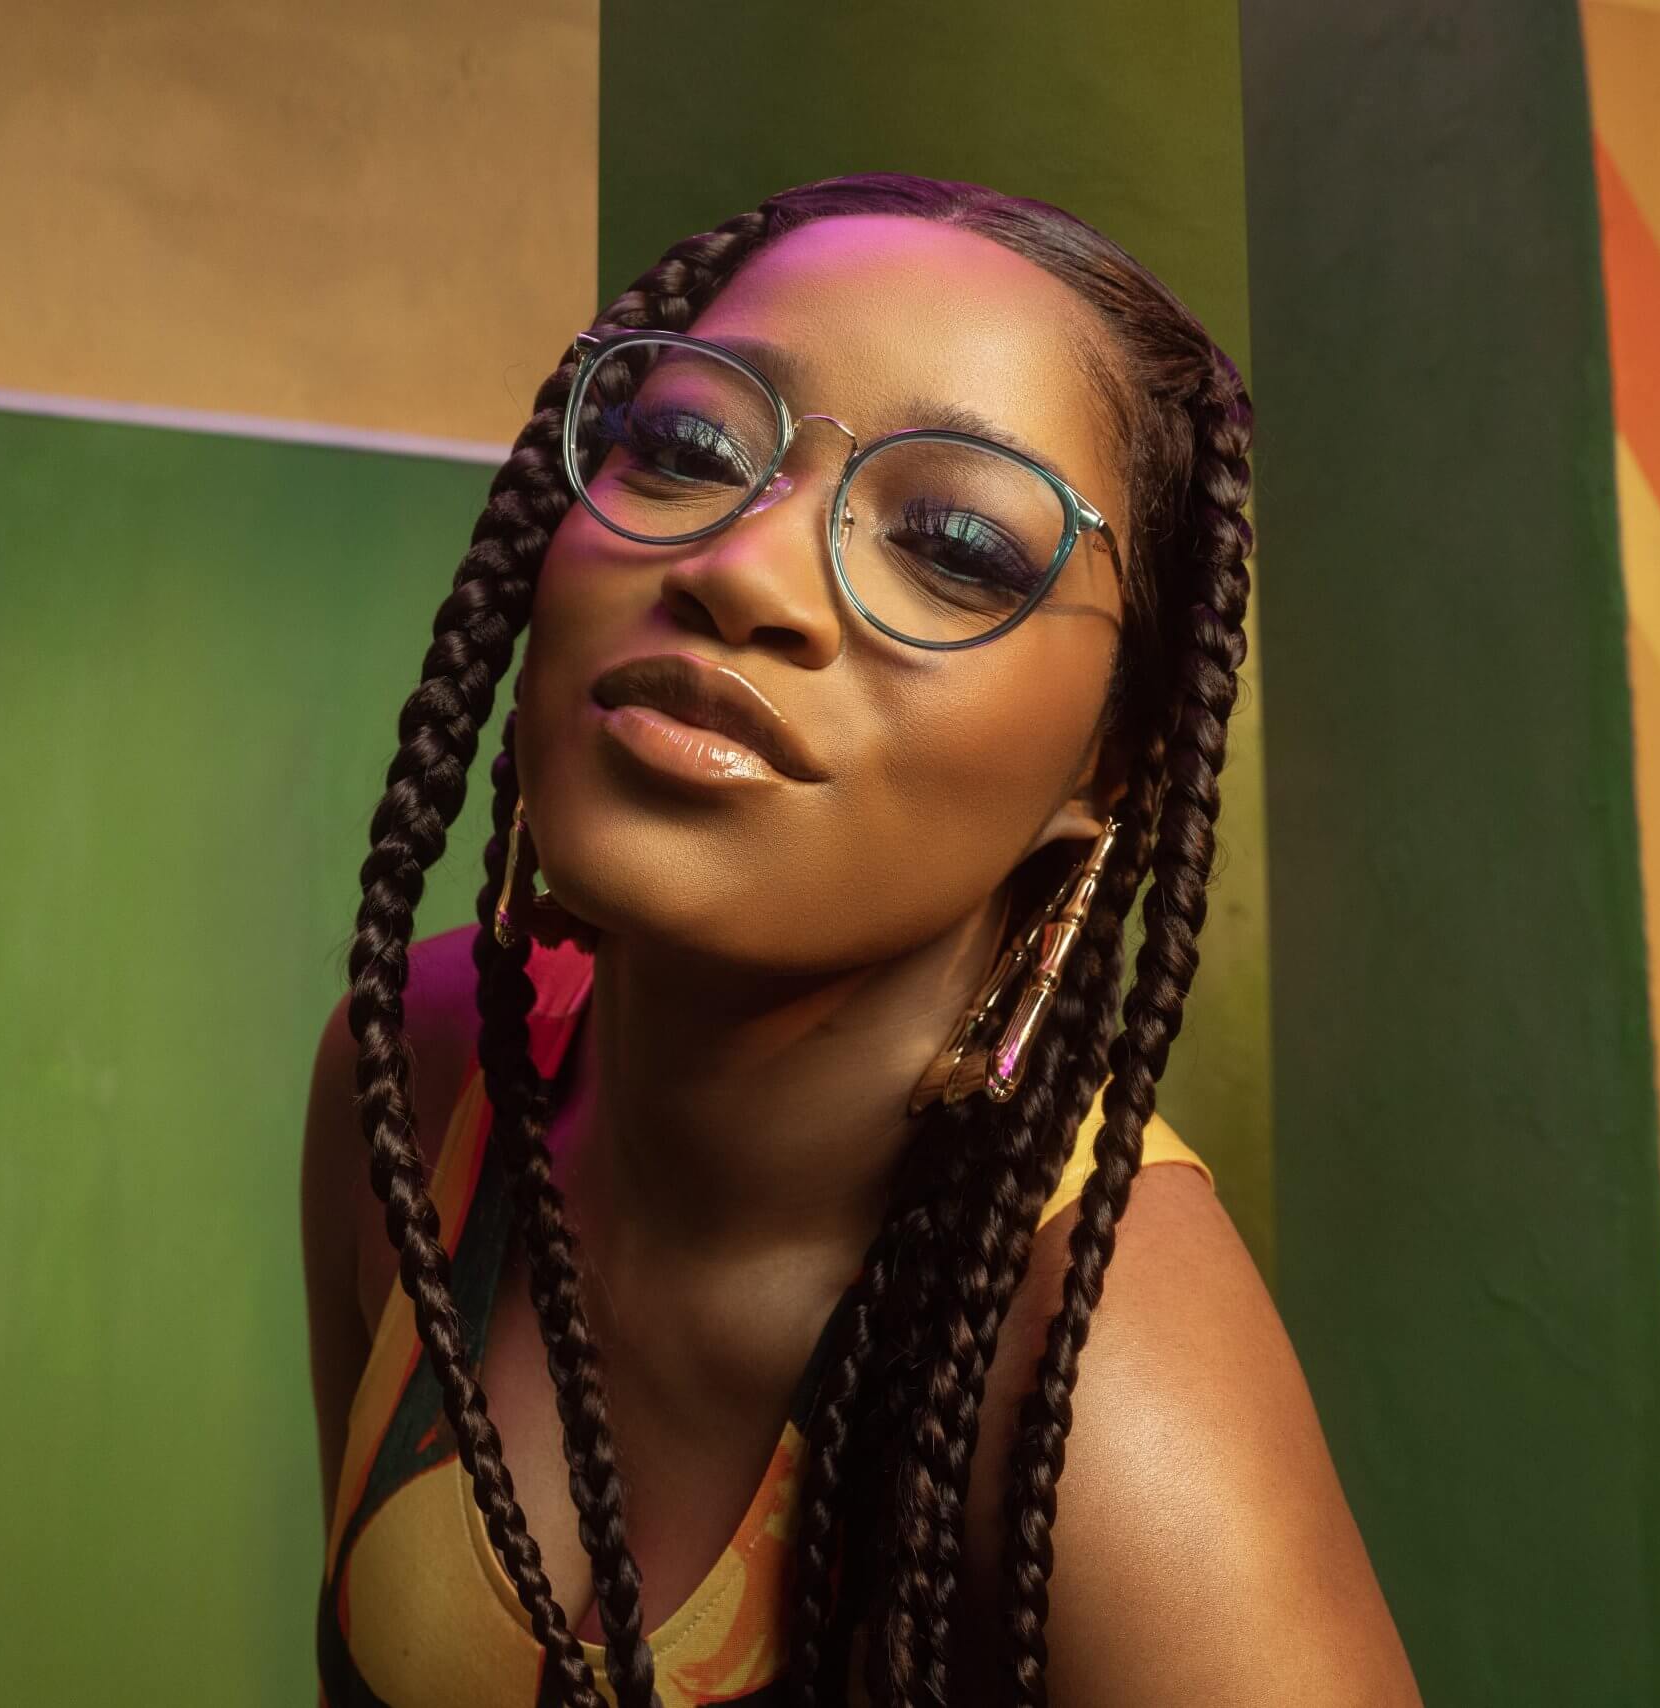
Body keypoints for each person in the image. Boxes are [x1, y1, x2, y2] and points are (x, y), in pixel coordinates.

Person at [299, 172, 1419, 1708]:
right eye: (689, 447)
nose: (741, 571)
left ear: (1109, 765)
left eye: (955, 545)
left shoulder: (1100, 1383)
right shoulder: (420, 1081)